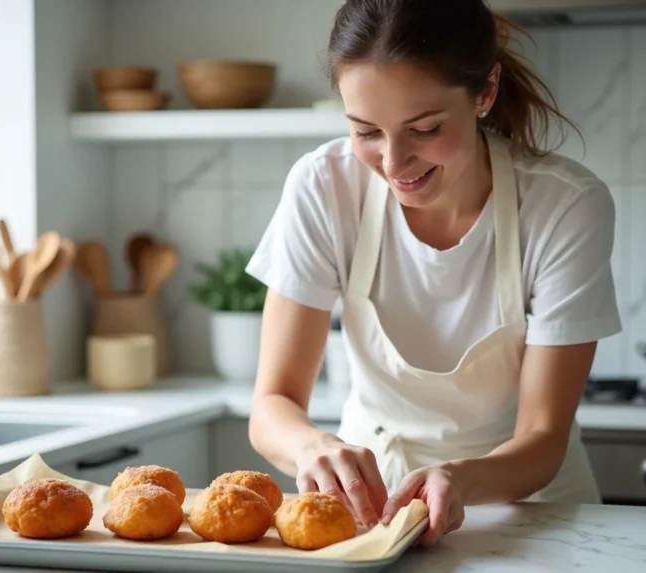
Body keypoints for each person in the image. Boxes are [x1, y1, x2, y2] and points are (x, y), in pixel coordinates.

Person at [245, 0, 621, 547]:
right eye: (366, 131)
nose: (394, 164)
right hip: (369, 511)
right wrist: (310, 447)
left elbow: (542, 437)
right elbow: (273, 403)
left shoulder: (565, 206)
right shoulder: (324, 185)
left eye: (423, 128)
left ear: (484, 92)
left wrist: (460, 477)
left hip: (529, 515)